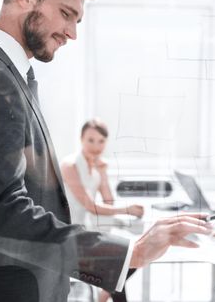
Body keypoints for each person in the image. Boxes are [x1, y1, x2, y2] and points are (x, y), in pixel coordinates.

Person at [0, 0, 212, 302]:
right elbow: (1, 211)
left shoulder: (13, 75)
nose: (72, 33)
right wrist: (129, 253)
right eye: (66, 14)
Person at [61, 119, 144, 302]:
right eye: (91, 140)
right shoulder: (70, 165)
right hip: (70, 235)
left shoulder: (97, 167)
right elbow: (89, 206)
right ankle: (103, 296)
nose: (96, 146)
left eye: (101, 141)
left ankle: (103, 295)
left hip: (88, 232)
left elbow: (108, 201)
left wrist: (104, 174)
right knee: (124, 262)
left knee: (128, 260)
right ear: (81, 139)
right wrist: (128, 210)